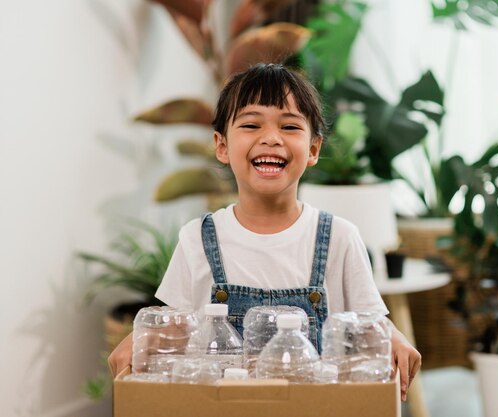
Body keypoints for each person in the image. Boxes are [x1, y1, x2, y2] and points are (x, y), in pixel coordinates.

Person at [108, 63, 421, 401]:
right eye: (251, 124)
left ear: (313, 149)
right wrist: (142, 339)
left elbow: (369, 325)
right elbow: (175, 324)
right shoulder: (197, 238)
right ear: (222, 145)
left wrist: (394, 338)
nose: (271, 138)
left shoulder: (339, 238)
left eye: (289, 126)